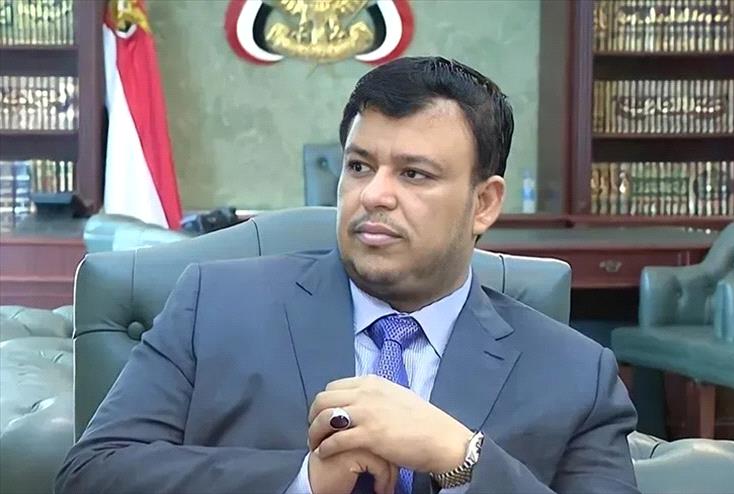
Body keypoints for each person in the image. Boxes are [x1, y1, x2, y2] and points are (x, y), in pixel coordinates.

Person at [56, 56, 639, 494]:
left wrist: (462, 458)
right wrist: (302, 481)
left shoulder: (576, 374)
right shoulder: (215, 305)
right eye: (360, 166)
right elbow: (91, 474)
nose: (374, 194)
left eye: (414, 174)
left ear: (483, 203)